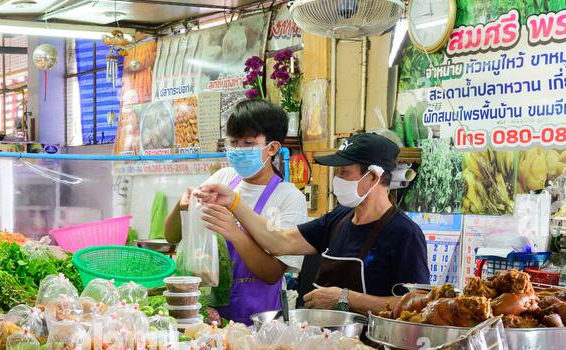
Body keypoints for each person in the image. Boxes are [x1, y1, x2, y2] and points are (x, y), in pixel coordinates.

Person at [194, 131, 429, 316]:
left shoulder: (404, 234)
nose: (337, 180)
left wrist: (346, 298)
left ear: (373, 177)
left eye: (345, 172)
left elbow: (417, 305)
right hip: (329, 344)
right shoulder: (339, 218)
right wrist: (235, 202)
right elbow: (281, 241)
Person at [164, 99, 309, 325]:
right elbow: (172, 237)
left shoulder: (289, 198)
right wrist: (182, 207)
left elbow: (272, 274)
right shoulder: (223, 179)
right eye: (233, 142)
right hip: (208, 317)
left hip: (260, 321)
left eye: (248, 143)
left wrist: (234, 232)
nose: (238, 150)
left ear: (272, 148)